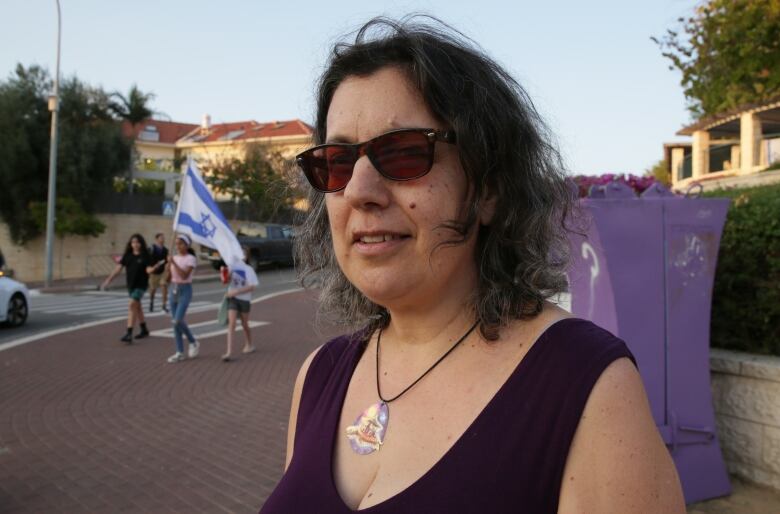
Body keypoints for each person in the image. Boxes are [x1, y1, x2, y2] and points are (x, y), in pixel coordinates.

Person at [261, 17, 686, 514]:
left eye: (402, 154)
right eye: (335, 162)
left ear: (488, 189)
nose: (357, 191)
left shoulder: (585, 386)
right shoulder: (319, 375)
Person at [101, 233, 155, 343]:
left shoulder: (146, 256)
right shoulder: (127, 256)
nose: (135, 244)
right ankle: (144, 329)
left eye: (137, 242)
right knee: (137, 306)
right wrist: (108, 280)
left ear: (141, 243)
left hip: (141, 285)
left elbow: (148, 269)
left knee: (131, 305)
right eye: (133, 242)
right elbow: (118, 269)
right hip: (131, 285)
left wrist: (152, 270)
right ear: (130, 244)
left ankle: (129, 333)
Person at [221, 248, 259, 362]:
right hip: (233, 299)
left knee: (244, 324)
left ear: (246, 256)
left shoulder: (249, 270)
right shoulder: (231, 267)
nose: (240, 255)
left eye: (243, 254)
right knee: (232, 323)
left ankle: (249, 344)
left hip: (244, 300)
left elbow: (252, 286)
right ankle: (229, 352)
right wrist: (225, 273)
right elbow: (225, 281)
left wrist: (237, 291)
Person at [166, 234, 199, 363]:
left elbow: (185, 276)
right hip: (173, 289)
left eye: (181, 243)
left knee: (177, 321)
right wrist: (168, 269)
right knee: (175, 324)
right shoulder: (173, 258)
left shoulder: (191, 259)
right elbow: (168, 279)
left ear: (187, 245)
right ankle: (179, 352)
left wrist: (173, 262)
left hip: (185, 290)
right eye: (177, 243)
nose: (178, 246)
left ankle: (193, 341)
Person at [148, 232, 169, 313]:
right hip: (153, 272)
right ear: (157, 239)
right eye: (161, 238)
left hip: (162, 272)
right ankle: (151, 302)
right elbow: (147, 258)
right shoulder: (152, 248)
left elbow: (167, 260)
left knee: (164, 286)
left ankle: (164, 305)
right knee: (153, 289)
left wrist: (168, 264)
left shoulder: (165, 250)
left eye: (163, 238)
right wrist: (151, 267)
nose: (163, 239)